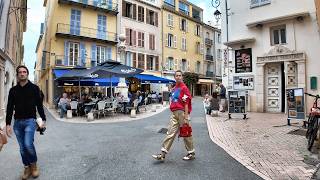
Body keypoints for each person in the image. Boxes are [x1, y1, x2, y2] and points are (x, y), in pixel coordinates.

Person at [5, 65, 46, 180]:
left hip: (30, 121)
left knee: (28, 144)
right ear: (17, 75)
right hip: (17, 123)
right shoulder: (13, 90)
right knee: (22, 148)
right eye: (20, 72)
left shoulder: (34, 88)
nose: (22, 74)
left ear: (27, 74)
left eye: (24, 72)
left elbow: (39, 106)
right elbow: (9, 108)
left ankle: (34, 165)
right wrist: (8, 124)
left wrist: (43, 119)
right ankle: (27, 167)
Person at [152, 70, 195, 161]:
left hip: (182, 113)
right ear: (174, 77)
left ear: (182, 77)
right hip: (174, 113)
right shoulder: (174, 88)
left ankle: (191, 153)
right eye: (177, 75)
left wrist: (186, 117)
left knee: (186, 133)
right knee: (170, 133)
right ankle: (163, 154)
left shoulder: (184, 88)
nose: (178, 77)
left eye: (180, 75)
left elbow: (186, 103)